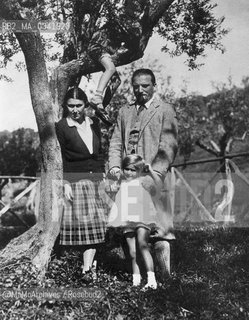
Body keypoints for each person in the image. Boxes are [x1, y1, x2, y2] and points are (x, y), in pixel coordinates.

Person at [108, 68, 178, 235]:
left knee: (160, 232)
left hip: (154, 179)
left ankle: (163, 262)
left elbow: (169, 146)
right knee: (129, 231)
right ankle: (133, 262)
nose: (140, 90)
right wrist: (115, 168)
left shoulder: (165, 109)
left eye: (145, 86)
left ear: (155, 86)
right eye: (136, 86)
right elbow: (116, 142)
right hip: (129, 180)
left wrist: (155, 175)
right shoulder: (125, 111)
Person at [55, 87, 108, 280]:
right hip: (77, 181)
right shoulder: (61, 126)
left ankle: (89, 268)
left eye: (78, 105)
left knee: (98, 226)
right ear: (66, 106)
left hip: (96, 180)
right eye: (71, 106)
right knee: (87, 226)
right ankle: (87, 269)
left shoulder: (94, 123)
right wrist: (66, 183)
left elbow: (99, 152)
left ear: (85, 105)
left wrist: (103, 175)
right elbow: (61, 158)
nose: (75, 110)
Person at [108, 154, 167, 289]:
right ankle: (136, 280)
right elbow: (110, 190)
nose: (129, 172)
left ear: (139, 170)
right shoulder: (121, 181)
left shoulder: (143, 180)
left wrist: (150, 169)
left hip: (142, 217)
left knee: (143, 245)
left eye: (133, 170)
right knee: (132, 252)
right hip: (126, 218)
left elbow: (159, 184)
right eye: (126, 169)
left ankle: (151, 280)